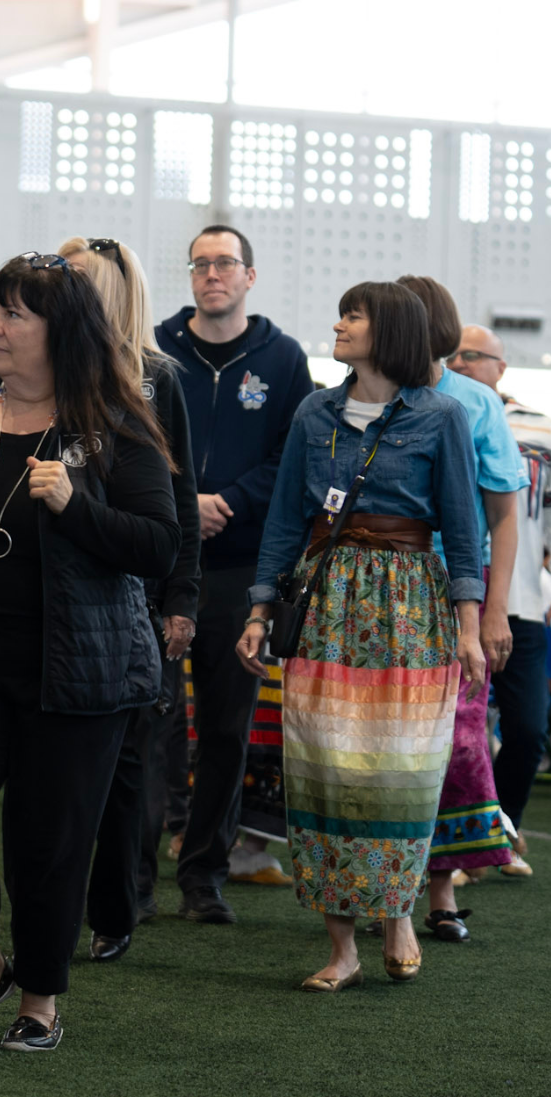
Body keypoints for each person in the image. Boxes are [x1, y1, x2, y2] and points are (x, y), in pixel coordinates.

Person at [0, 253, 180, 1052]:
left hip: (75, 677)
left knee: (48, 847)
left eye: (15, 314)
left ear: (63, 333)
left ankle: (41, 996)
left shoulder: (114, 426)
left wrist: (78, 508)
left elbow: (157, 544)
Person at [237, 281, 485, 991]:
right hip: (326, 601)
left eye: (354, 315)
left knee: (400, 772)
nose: (339, 324)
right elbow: (285, 520)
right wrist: (260, 611)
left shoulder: (442, 415)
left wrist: (469, 629)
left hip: (411, 604)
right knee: (324, 771)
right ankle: (342, 947)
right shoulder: (315, 411)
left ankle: (399, 912)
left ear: (392, 330)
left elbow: (463, 533)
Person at [155, 224, 313, 922]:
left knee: (226, 728)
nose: (211, 273)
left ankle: (204, 874)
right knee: (152, 722)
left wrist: (229, 502)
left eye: (225, 263)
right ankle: (132, 877)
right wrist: (182, 502)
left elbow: (294, 458)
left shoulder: (283, 359)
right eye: (200, 264)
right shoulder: (154, 349)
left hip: (242, 566)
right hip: (158, 560)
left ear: (250, 275)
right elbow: (131, 438)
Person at [57, 235, 201, 961]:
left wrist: (182, 600)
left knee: (128, 764)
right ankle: (53, 906)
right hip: (53, 596)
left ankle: (119, 905)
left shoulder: (154, 378)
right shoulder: (35, 368)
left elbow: (176, 499)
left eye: (76, 277)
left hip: (135, 598)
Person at [397, 278, 526, 935]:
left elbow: (505, 517)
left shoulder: (475, 403)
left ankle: (441, 892)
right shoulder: (367, 398)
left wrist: (496, 610)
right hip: (383, 597)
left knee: (458, 743)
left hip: (458, 599)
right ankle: (387, 891)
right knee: (386, 746)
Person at [449, 323, 550, 867]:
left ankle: (501, 831)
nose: (461, 362)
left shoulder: (541, 428)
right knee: (460, 729)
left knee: (529, 730)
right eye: (454, 354)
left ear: (501, 367)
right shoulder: (446, 412)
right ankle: (458, 850)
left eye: (473, 355)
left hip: (524, 607)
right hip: (464, 595)